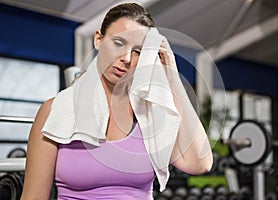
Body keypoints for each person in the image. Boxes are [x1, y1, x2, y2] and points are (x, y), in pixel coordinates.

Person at [20, 3, 213, 200]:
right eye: (119, 43)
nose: (127, 58)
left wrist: (171, 73)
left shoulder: (151, 113)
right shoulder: (54, 111)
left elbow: (200, 163)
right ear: (98, 39)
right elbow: (33, 197)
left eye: (138, 51)